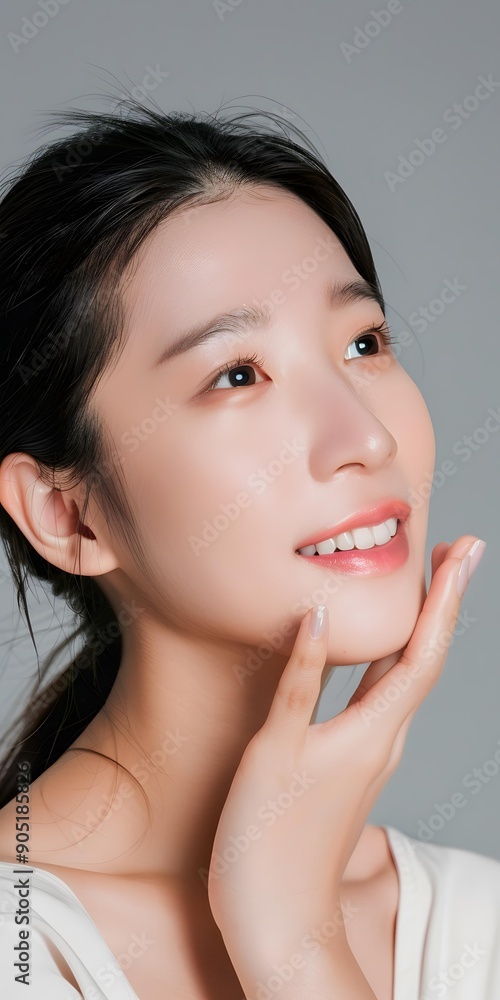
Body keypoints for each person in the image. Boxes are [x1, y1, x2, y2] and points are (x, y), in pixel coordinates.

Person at [0, 98, 497, 1000]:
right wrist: (292, 940)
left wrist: (294, 932)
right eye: (238, 374)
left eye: (363, 342)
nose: (366, 438)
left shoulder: (476, 921)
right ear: (67, 516)